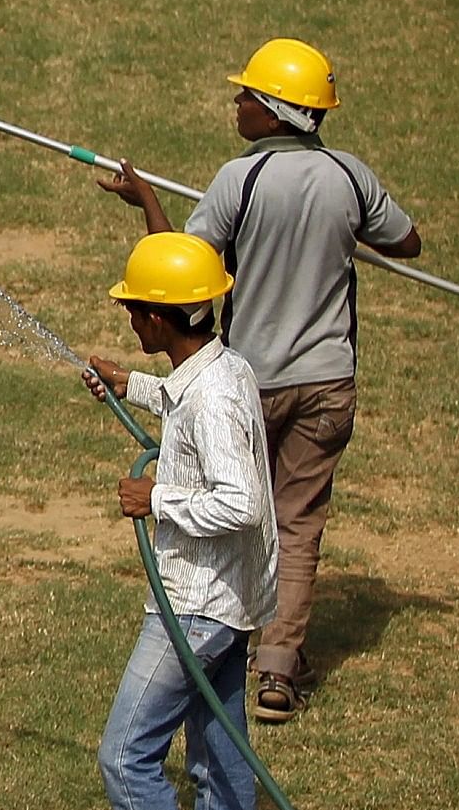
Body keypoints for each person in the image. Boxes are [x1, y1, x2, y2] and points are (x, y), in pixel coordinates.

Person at [98, 37, 421, 722]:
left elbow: (183, 268)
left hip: (249, 382)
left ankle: (224, 641)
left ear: (275, 111)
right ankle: (276, 669)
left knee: (243, 509)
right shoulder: (349, 176)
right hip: (329, 382)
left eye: (246, 94)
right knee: (296, 522)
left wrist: (146, 200)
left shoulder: (238, 180)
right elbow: (406, 240)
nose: (236, 102)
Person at [81, 231, 277, 810]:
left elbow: (243, 502)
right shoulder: (225, 368)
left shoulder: (211, 399)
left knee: (124, 755)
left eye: (134, 310)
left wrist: (156, 499)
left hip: (196, 606)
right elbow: (183, 398)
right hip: (231, 600)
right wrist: (126, 383)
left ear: (160, 320)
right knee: (221, 755)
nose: (129, 319)